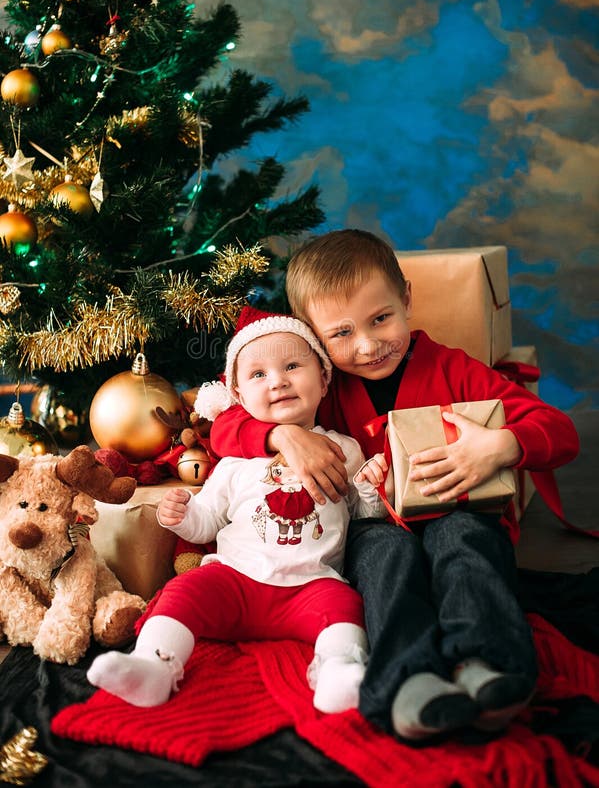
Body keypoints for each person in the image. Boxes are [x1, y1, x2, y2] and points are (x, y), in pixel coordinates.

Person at [209, 229, 580, 741]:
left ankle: (487, 665)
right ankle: (410, 682)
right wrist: (281, 436)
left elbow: (558, 431)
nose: (367, 345)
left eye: (380, 318)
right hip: (369, 527)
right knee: (385, 558)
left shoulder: (455, 369)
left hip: (456, 510)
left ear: (405, 298)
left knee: (465, 541)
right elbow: (223, 429)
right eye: (340, 334)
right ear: (314, 340)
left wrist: (503, 446)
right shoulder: (320, 388)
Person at [87, 306, 388, 713]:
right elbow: (209, 517)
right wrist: (182, 515)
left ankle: (338, 670)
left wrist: (371, 487)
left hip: (310, 585)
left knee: (345, 606)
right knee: (182, 592)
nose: (278, 381)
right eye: (259, 375)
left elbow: (364, 512)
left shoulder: (345, 449)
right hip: (236, 581)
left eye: (293, 366)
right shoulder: (234, 462)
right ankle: (153, 665)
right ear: (240, 396)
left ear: (323, 380)